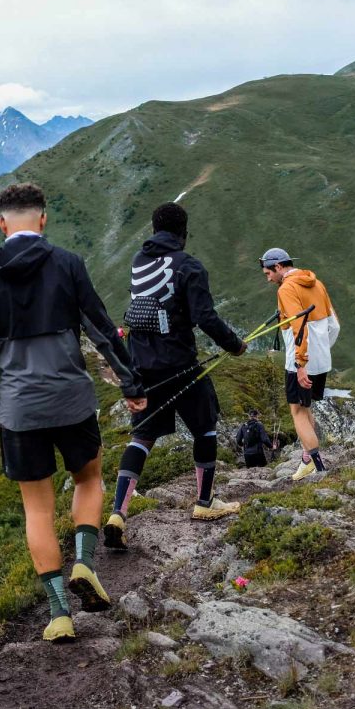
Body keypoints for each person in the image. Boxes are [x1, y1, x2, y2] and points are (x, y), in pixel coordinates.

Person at [0, 182, 146, 643]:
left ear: (2, 223)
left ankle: (59, 614)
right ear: (42, 220)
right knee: (88, 479)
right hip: (71, 400)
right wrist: (131, 383)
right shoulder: (68, 264)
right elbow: (103, 329)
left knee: (36, 511)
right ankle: (84, 562)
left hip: (20, 410)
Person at [104, 202, 247, 551]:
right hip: (180, 364)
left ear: (154, 230)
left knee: (142, 436)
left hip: (142, 366)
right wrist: (235, 346)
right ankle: (204, 502)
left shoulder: (139, 262)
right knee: (206, 426)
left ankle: (118, 513)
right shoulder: (189, 266)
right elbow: (205, 317)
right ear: (183, 233)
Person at [260, 248, 339, 481]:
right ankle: (307, 460)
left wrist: (301, 363)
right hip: (321, 358)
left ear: (278, 267)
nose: (267, 278)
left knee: (296, 411)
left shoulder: (287, 288)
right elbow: (334, 325)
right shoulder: (317, 283)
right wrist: (321, 352)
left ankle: (317, 466)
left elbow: (299, 327)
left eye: (268, 273)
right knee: (306, 408)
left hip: (299, 361)